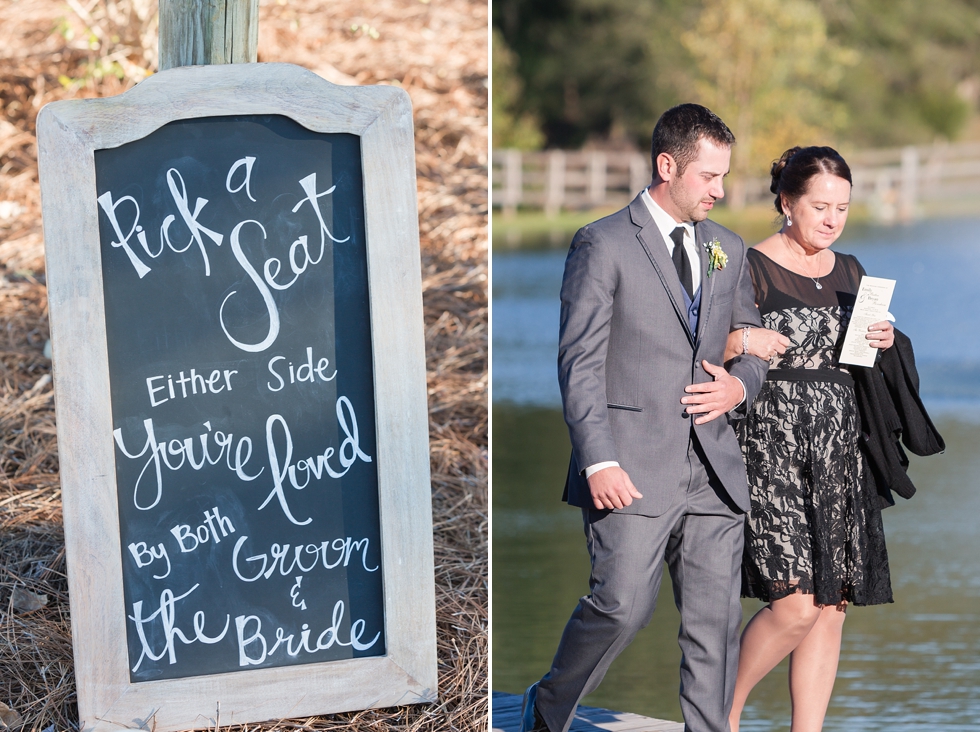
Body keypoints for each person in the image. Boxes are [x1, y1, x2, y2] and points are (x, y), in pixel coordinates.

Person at [520, 103, 769, 732]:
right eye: (709, 177)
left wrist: (738, 390)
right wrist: (598, 459)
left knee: (714, 628)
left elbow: (752, 341)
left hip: (714, 469)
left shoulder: (728, 249)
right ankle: (548, 709)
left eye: (724, 177)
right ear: (667, 166)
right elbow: (579, 364)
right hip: (628, 464)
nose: (720, 190)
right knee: (621, 607)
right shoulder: (601, 243)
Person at [723, 146, 895, 732]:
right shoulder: (748, 266)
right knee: (795, 605)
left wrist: (886, 340)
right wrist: (744, 342)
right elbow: (704, 349)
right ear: (786, 202)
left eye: (842, 208)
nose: (831, 219)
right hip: (771, 449)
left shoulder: (851, 270)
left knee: (831, 607)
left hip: (839, 449)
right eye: (819, 206)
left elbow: (862, 365)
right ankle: (721, 711)